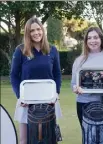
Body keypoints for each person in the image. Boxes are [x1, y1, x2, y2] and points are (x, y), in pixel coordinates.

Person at [10, 16, 62, 144]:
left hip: (48, 102)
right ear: (28, 33)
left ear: (42, 30)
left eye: (38, 29)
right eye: (32, 31)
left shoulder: (52, 50)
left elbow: (57, 74)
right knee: (24, 140)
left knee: (48, 138)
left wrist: (56, 93)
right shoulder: (20, 50)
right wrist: (20, 97)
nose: (36, 33)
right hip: (26, 102)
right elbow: (14, 75)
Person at [71, 26, 103, 143]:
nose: (93, 41)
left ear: (101, 39)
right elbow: (73, 83)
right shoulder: (79, 60)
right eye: (90, 38)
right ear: (86, 41)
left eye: (96, 37)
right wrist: (76, 88)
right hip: (83, 103)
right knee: (89, 137)